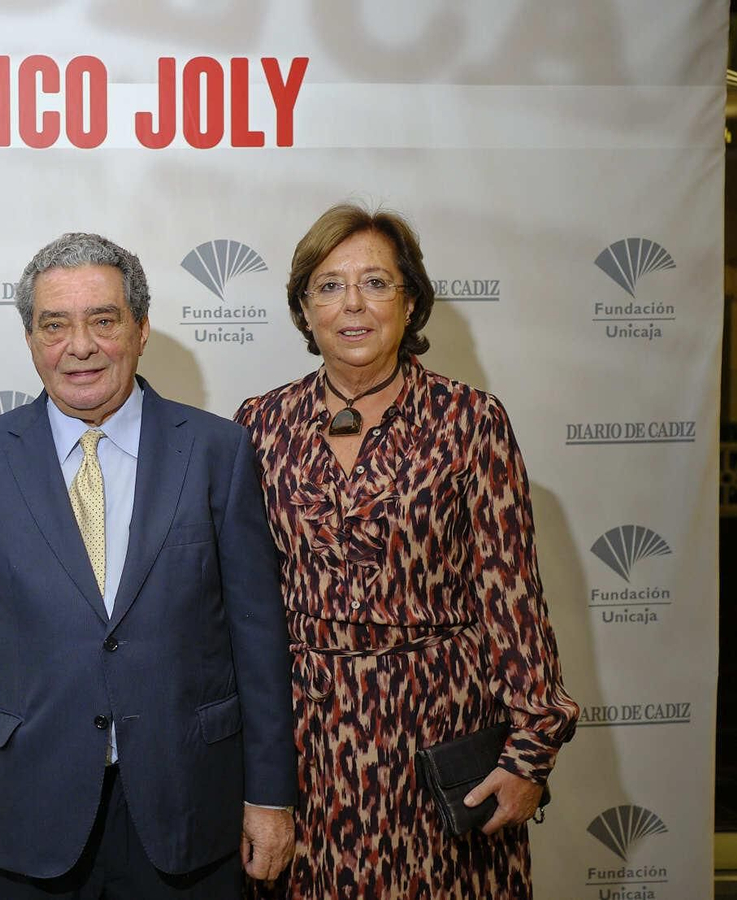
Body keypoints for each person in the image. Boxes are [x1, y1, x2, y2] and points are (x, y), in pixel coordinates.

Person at [0, 232, 296, 900]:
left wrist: (271, 794)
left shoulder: (218, 452)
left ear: (142, 328)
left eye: (103, 320)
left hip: (190, 808)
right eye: (55, 325)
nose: (81, 346)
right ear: (32, 340)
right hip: (29, 811)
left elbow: (258, 640)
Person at [233, 203, 580, 899]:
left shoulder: (471, 421)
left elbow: (510, 593)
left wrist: (529, 754)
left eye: (375, 283)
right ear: (304, 309)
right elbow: (242, 606)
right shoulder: (259, 424)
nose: (352, 305)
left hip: (441, 733)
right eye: (328, 286)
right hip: (308, 742)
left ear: (410, 299)